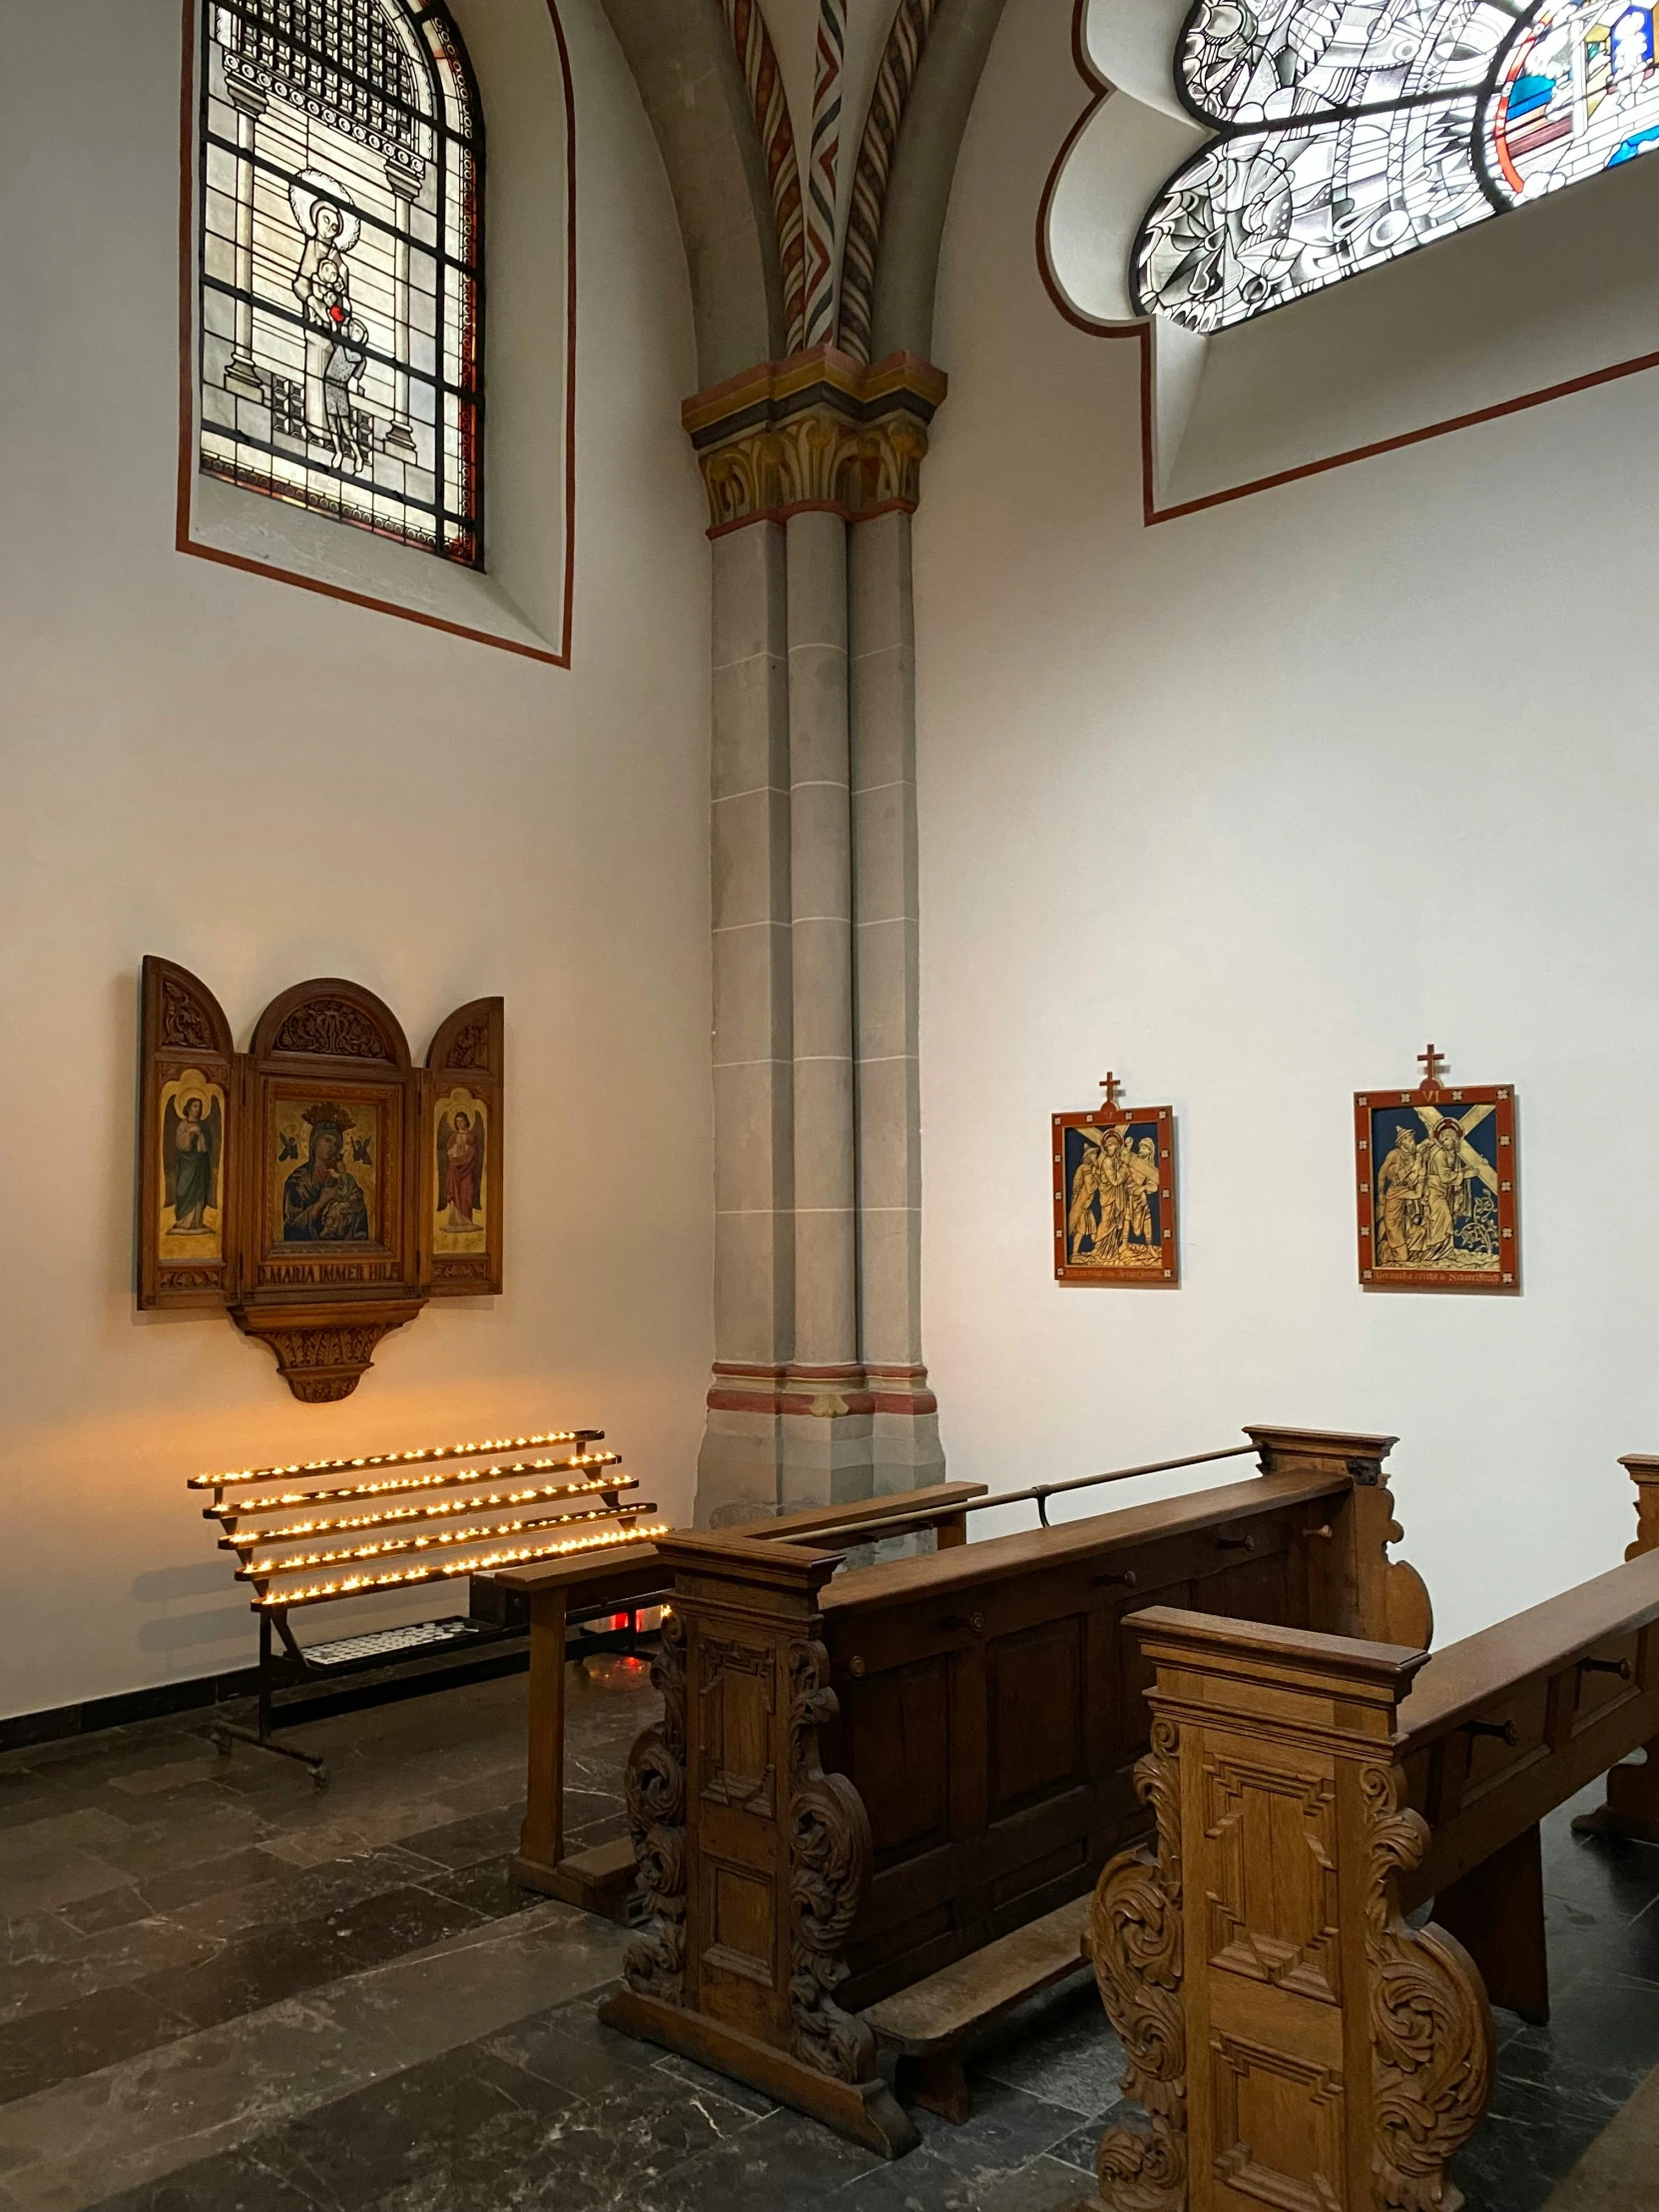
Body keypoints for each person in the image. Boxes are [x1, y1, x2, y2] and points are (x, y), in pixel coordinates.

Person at [282, 1111, 369, 1242]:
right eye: (327, 1140)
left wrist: (355, 1204)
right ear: (314, 1142)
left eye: (336, 1144)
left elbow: (360, 1223)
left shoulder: (343, 1179)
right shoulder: (298, 1180)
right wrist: (321, 1203)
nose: (332, 1147)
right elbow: (291, 1227)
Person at [1416, 1117, 1470, 1265]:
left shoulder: (1449, 1154)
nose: (1443, 1142)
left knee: (1443, 1220)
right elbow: (1445, 1176)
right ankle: (1433, 1252)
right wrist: (1464, 1174)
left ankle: (1445, 1251)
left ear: (1454, 1140)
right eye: (1442, 1139)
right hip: (1435, 1191)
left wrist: (1463, 1171)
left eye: (1447, 1139)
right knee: (1442, 1219)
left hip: (1442, 1191)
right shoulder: (1439, 1154)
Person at [1375, 1123, 1423, 1265]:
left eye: (1412, 1138)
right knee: (1400, 1249)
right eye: (1408, 1139)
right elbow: (1382, 1173)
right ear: (1401, 1142)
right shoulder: (1394, 1155)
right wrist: (1380, 1194)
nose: (1412, 1141)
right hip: (1398, 1198)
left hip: (1405, 1206)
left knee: (1413, 1231)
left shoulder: (1412, 1155)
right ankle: (1383, 1253)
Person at [172, 1096, 215, 1234]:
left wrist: (200, 1134)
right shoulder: (182, 1124)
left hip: (200, 1164)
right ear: (189, 1107)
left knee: (199, 1191)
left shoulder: (203, 1125)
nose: (197, 1109)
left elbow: (207, 1146)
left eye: (199, 1106)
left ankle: (196, 1222)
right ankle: (183, 1222)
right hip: (186, 1164)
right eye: (195, 1106)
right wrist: (190, 1133)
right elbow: (180, 1144)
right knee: (183, 1189)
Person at [443, 1112, 480, 1229]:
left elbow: (474, 1153)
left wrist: (465, 1147)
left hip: (467, 1169)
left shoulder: (471, 1137)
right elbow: (449, 1151)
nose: (459, 1123)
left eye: (462, 1121)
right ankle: (455, 1220)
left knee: (467, 1193)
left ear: (466, 1121)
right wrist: (456, 1148)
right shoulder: (453, 1137)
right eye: (457, 1121)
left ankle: (467, 1220)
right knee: (455, 1192)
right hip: (454, 1170)